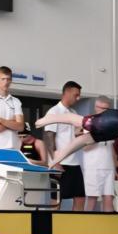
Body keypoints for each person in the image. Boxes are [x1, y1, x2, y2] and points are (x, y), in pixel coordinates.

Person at [44, 81, 85, 210]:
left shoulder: (73, 112)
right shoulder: (54, 112)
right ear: (66, 92)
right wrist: (56, 162)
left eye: (79, 95)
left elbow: (75, 134)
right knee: (56, 199)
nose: (77, 98)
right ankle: (53, 228)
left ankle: (77, 228)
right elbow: (48, 137)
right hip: (60, 162)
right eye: (75, 95)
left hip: (74, 162)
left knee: (80, 197)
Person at [81, 96, 117, 212]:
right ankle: (85, 227)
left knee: (108, 198)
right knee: (92, 198)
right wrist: (99, 136)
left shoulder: (111, 124)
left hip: (108, 167)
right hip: (93, 167)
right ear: (95, 107)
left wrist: (114, 168)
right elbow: (85, 147)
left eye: (106, 109)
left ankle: (110, 229)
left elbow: (111, 148)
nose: (103, 111)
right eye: (101, 108)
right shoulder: (89, 123)